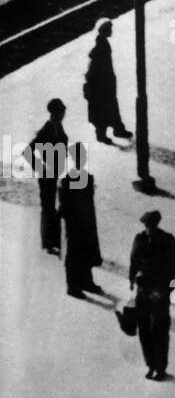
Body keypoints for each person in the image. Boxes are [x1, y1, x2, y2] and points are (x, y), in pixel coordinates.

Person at [129, 210, 175, 381]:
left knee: (159, 330)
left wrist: (171, 292)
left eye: (151, 225)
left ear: (157, 224)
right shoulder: (140, 238)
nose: (149, 228)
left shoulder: (167, 240)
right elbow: (134, 261)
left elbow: (174, 268)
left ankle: (161, 367)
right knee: (144, 330)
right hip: (143, 291)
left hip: (160, 290)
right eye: (146, 226)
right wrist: (132, 281)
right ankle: (150, 364)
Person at [57, 144, 103, 298]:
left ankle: (86, 282)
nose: (81, 161)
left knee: (86, 251)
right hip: (74, 223)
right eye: (78, 158)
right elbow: (63, 205)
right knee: (73, 255)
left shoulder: (88, 178)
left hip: (87, 221)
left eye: (83, 158)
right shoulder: (66, 181)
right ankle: (72, 286)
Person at [28, 98, 69, 255]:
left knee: (51, 207)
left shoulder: (57, 126)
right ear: (57, 112)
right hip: (47, 175)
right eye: (62, 111)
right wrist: (40, 168)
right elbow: (27, 151)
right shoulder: (47, 129)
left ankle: (51, 242)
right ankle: (48, 243)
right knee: (48, 208)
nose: (64, 113)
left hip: (53, 173)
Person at [83, 19, 131, 143]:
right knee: (105, 108)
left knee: (110, 107)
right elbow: (93, 68)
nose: (111, 31)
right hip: (101, 85)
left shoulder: (102, 43)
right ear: (104, 31)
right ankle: (104, 133)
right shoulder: (101, 47)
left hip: (106, 83)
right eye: (109, 29)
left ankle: (116, 129)